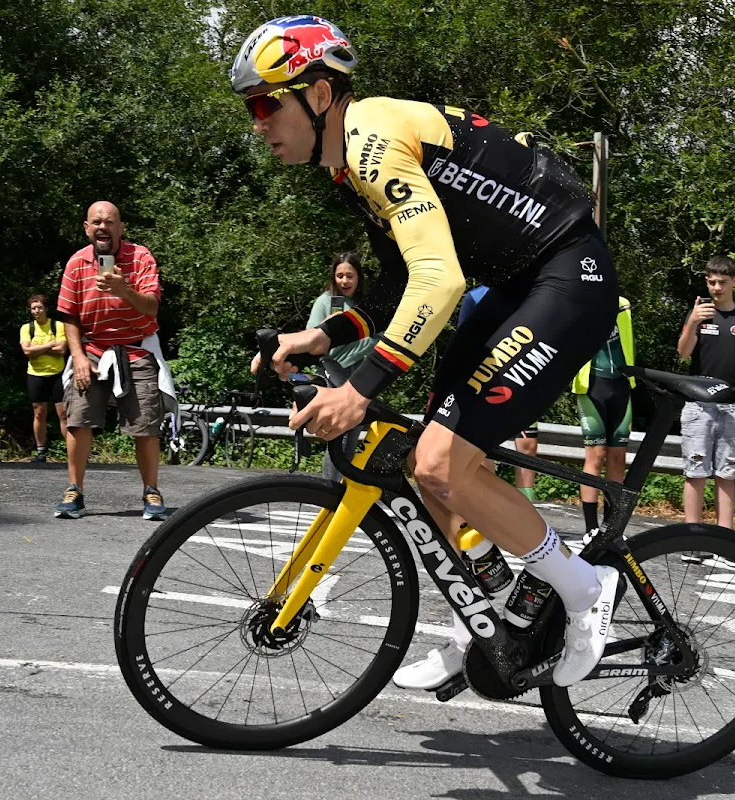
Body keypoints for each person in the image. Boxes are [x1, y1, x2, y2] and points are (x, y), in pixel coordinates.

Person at [235, 15, 620, 690]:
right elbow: (398, 283)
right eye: (252, 108)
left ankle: (587, 589)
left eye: (268, 102)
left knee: (444, 460)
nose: (259, 122)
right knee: (422, 465)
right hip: (516, 285)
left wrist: (358, 390)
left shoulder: (373, 144)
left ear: (319, 96)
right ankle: (482, 617)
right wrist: (324, 335)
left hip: (567, 277)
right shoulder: (350, 164)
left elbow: (440, 282)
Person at [54, 201, 173, 521]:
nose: (103, 227)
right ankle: (74, 491)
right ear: (87, 228)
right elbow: (68, 315)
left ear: (121, 228)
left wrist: (124, 290)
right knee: (77, 419)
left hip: (137, 348)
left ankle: (151, 490)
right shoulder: (77, 262)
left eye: (110, 222)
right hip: (92, 349)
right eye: (97, 222)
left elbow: (151, 307)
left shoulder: (140, 256)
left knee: (146, 426)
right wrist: (77, 356)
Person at [676, 255, 735, 562]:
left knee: (727, 474)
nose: (716, 288)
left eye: (722, 283)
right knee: (695, 472)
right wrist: (693, 322)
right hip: (699, 406)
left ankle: (725, 542)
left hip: (733, 407)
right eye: (711, 282)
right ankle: (693, 541)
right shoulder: (698, 313)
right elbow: (683, 353)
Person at [458, 285, 540, 501]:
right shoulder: (475, 297)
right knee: (481, 448)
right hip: (485, 379)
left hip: (522, 375)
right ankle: (485, 504)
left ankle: (525, 506)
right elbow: (463, 343)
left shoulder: (531, 292)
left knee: (527, 446)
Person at [306, 252, 377, 480]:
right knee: (337, 435)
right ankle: (329, 489)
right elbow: (310, 338)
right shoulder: (325, 302)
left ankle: (337, 488)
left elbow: (380, 338)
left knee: (352, 433)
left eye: (349, 276)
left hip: (359, 372)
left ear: (359, 277)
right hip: (331, 373)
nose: (344, 281)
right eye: (339, 276)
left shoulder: (367, 305)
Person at [571, 296, 636, 539]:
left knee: (618, 458)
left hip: (621, 384)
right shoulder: (580, 301)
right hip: (592, 386)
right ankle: (590, 528)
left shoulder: (622, 304)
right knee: (595, 456)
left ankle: (611, 527)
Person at [20, 294, 68, 462]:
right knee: (39, 413)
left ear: (46, 308)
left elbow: (62, 350)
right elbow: (27, 352)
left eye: (39, 307)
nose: (37, 311)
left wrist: (37, 348)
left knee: (63, 414)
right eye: (33, 308)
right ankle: (41, 451)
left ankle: (72, 450)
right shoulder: (27, 328)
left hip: (57, 374)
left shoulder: (58, 326)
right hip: (36, 375)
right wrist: (49, 345)